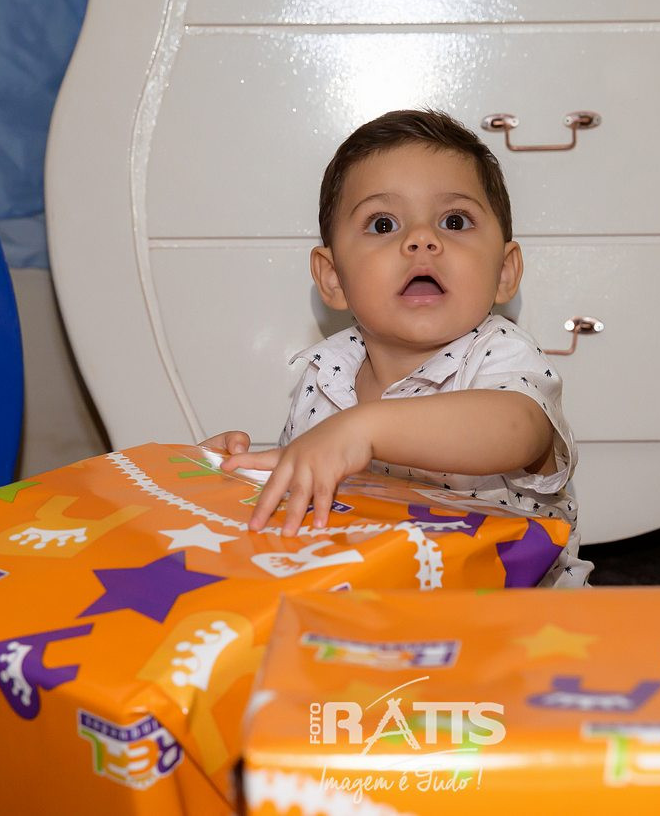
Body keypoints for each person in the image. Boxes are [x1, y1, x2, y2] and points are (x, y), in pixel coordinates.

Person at [200, 109, 592, 586]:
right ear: (333, 278)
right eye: (383, 224)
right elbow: (305, 487)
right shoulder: (326, 375)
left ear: (505, 271)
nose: (422, 239)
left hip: (515, 611)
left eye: (454, 220)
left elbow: (518, 429)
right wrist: (234, 475)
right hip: (377, 597)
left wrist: (364, 429)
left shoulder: (500, 353)